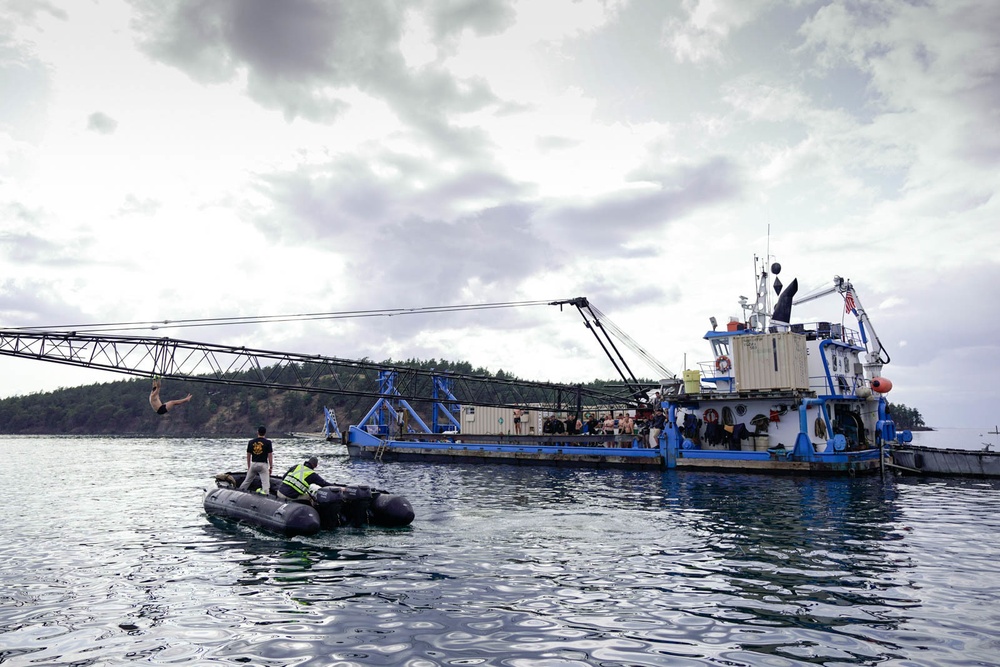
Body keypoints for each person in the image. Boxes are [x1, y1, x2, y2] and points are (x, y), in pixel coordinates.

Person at [239, 425, 273, 494]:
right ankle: (266, 495)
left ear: (257, 432)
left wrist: (248, 466)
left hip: (253, 464)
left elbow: (248, 455)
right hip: (263, 465)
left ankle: (239, 492)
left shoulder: (251, 442)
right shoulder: (268, 442)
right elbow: (270, 456)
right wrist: (271, 467)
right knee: (266, 484)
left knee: (247, 481)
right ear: (265, 433)